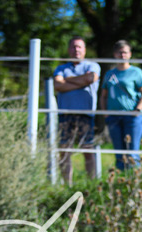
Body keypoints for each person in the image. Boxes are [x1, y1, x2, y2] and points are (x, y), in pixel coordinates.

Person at [52, 36, 100, 184]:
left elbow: (90, 79)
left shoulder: (92, 66)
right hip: (65, 115)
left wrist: (68, 80)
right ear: (69, 50)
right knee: (65, 151)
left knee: (88, 150)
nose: (76, 50)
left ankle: (91, 184)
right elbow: (58, 85)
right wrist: (80, 81)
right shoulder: (61, 68)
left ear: (84, 50)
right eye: (73, 47)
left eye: (79, 47)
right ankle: (68, 185)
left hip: (85, 115)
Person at [100, 40, 142, 171]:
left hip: (132, 117)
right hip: (114, 117)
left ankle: (134, 182)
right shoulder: (109, 74)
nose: (122, 55)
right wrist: (105, 112)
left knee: (132, 152)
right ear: (115, 54)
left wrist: (138, 109)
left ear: (130, 54)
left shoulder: (136, 72)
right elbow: (103, 95)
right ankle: (121, 182)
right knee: (119, 153)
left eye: (125, 52)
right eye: (120, 52)